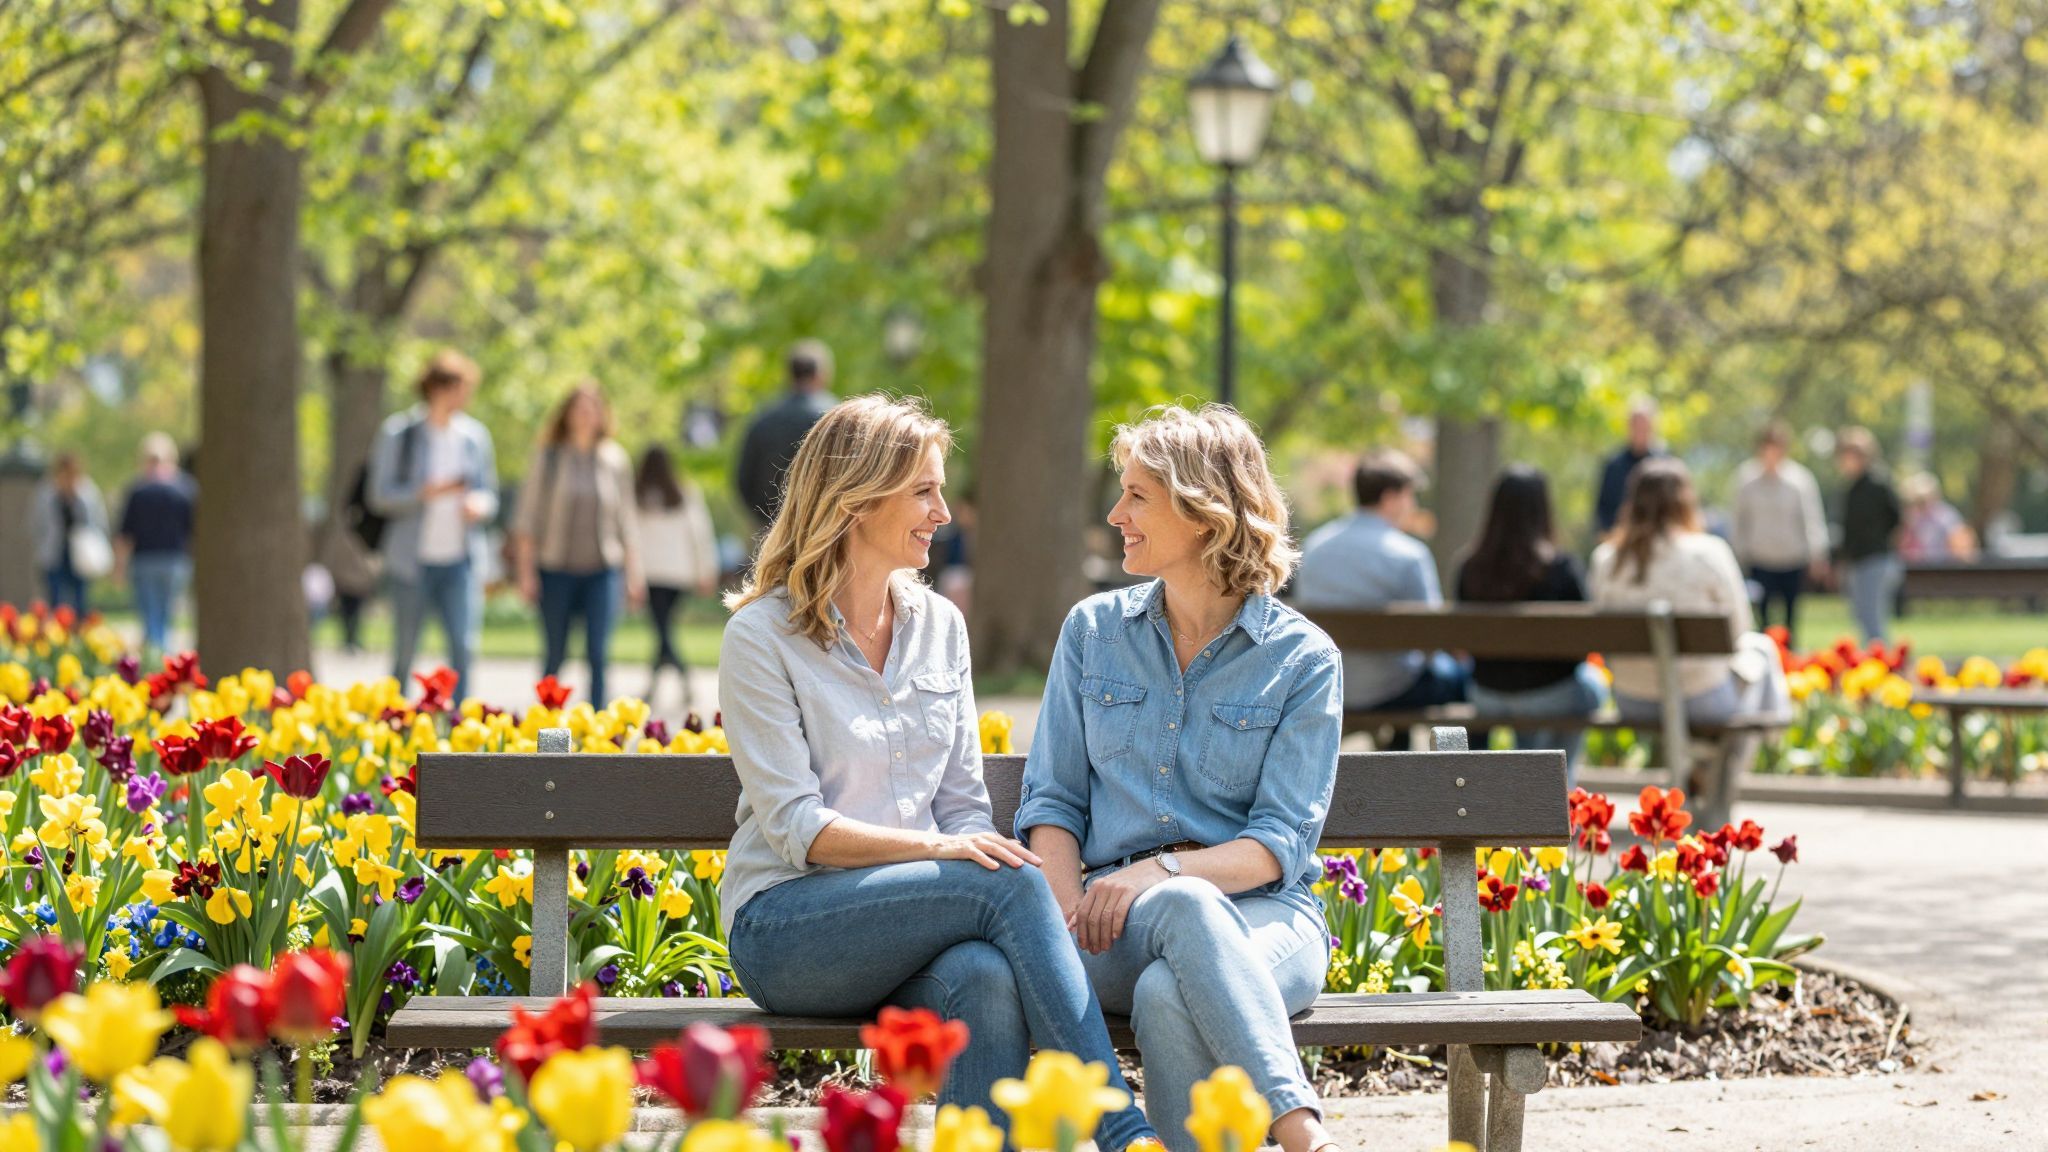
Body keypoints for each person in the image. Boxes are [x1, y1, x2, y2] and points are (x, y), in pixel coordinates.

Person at [718, 396, 1161, 1152]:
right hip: (788, 929)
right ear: (856, 499)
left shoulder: (940, 627)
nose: (944, 514)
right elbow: (799, 830)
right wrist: (944, 853)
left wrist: (957, 848)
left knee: (984, 977)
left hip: (916, 928)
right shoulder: (761, 635)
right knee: (1007, 880)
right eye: (923, 491)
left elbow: (961, 807)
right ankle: (1123, 1130)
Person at [1019, 405, 1345, 1152]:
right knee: (1175, 935)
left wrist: (1157, 874)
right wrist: (1064, 922)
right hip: (1109, 930)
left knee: (1173, 981)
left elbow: (1278, 844)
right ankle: (1306, 1137)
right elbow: (1054, 802)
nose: (1116, 514)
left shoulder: (1302, 659)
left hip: (1267, 919)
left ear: (1203, 514)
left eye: (1137, 495)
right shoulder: (1092, 632)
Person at [1591, 459, 1788, 726]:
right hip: (1701, 698)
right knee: (1762, 650)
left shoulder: (1606, 559)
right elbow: (1739, 629)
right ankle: (1733, 755)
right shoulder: (1708, 552)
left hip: (1633, 700)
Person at [1293, 448, 1465, 748]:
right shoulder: (1409, 555)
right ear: (1390, 497)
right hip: (1393, 688)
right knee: (1456, 676)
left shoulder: (1315, 547)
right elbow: (1432, 639)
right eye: (1410, 496)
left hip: (1328, 682)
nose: (1412, 505)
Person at [1454, 466, 1605, 775]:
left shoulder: (1469, 568)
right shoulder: (1561, 568)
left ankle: (1534, 782)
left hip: (1486, 694)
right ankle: (1559, 783)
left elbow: (1462, 643)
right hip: (1550, 694)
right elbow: (1585, 641)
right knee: (1593, 684)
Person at [368, 349, 499, 705]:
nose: (463, 397)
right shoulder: (400, 434)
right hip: (412, 562)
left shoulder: (473, 437)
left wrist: (478, 505)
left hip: (460, 561)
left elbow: (489, 493)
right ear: (437, 388)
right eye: (458, 388)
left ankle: (459, 723)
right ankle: (395, 719)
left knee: (463, 646)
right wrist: (423, 493)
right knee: (405, 649)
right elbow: (379, 495)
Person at [513, 383, 645, 709]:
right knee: (555, 654)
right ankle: (547, 729)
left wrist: (634, 575)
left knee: (598, 653)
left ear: (602, 414)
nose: (586, 415)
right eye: (579, 408)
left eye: (592, 408)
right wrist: (525, 574)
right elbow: (527, 520)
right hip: (555, 570)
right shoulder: (549, 457)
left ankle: (597, 730)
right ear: (567, 414)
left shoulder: (615, 459)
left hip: (602, 571)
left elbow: (627, 523)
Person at [1730, 422, 1830, 647]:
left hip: (1792, 557)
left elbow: (1812, 518)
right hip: (1759, 558)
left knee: (1791, 618)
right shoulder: (1746, 478)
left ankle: (1789, 657)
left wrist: (1817, 554)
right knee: (1762, 619)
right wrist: (1738, 554)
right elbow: (1738, 520)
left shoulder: (1799, 479)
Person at [633, 445, 718, 706]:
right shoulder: (683, 491)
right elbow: (700, 534)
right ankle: (661, 684)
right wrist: (706, 570)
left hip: (650, 574)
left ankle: (675, 678)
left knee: (663, 630)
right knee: (663, 629)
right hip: (678, 574)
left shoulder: (638, 495)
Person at [735, 340, 837, 532]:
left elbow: (743, 479)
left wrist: (765, 517)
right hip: (823, 528)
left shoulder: (763, 420)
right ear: (821, 375)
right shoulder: (835, 418)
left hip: (772, 527)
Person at [113, 433, 196, 654]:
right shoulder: (186, 490)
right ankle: (164, 655)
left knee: (150, 615)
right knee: (167, 615)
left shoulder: (137, 491)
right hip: (175, 561)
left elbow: (124, 534)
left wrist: (119, 567)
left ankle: (155, 656)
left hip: (145, 561)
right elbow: (193, 532)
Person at [1834, 427, 1903, 641]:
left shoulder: (1878, 483)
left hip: (1876, 558)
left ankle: (1880, 658)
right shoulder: (1851, 487)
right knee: (1861, 616)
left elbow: (1896, 519)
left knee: (1873, 619)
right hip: (1856, 560)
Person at [31, 453, 111, 617]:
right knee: (55, 598)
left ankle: (79, 628)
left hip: (81, 553)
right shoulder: (46, 492)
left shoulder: (87, 491)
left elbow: (98, 520)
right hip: (55, 552)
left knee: (80, 599)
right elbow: (36, 522)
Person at [1594, 395, 1663, 536]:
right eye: (1636, 424)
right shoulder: (1614, 465)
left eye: (1644, 425)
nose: (1640, 429)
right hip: (1621, 539)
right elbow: (1603, 509)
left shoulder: (1665, 464)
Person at [1899, 472, 1976, 562]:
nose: (1922, 503)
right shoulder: (1912, 517)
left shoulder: (1947, 516)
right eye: (1918, 500)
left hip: (1944, 565)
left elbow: (1962, 545)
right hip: (1920, 565)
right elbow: (1903, 546)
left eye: (1923, 499)